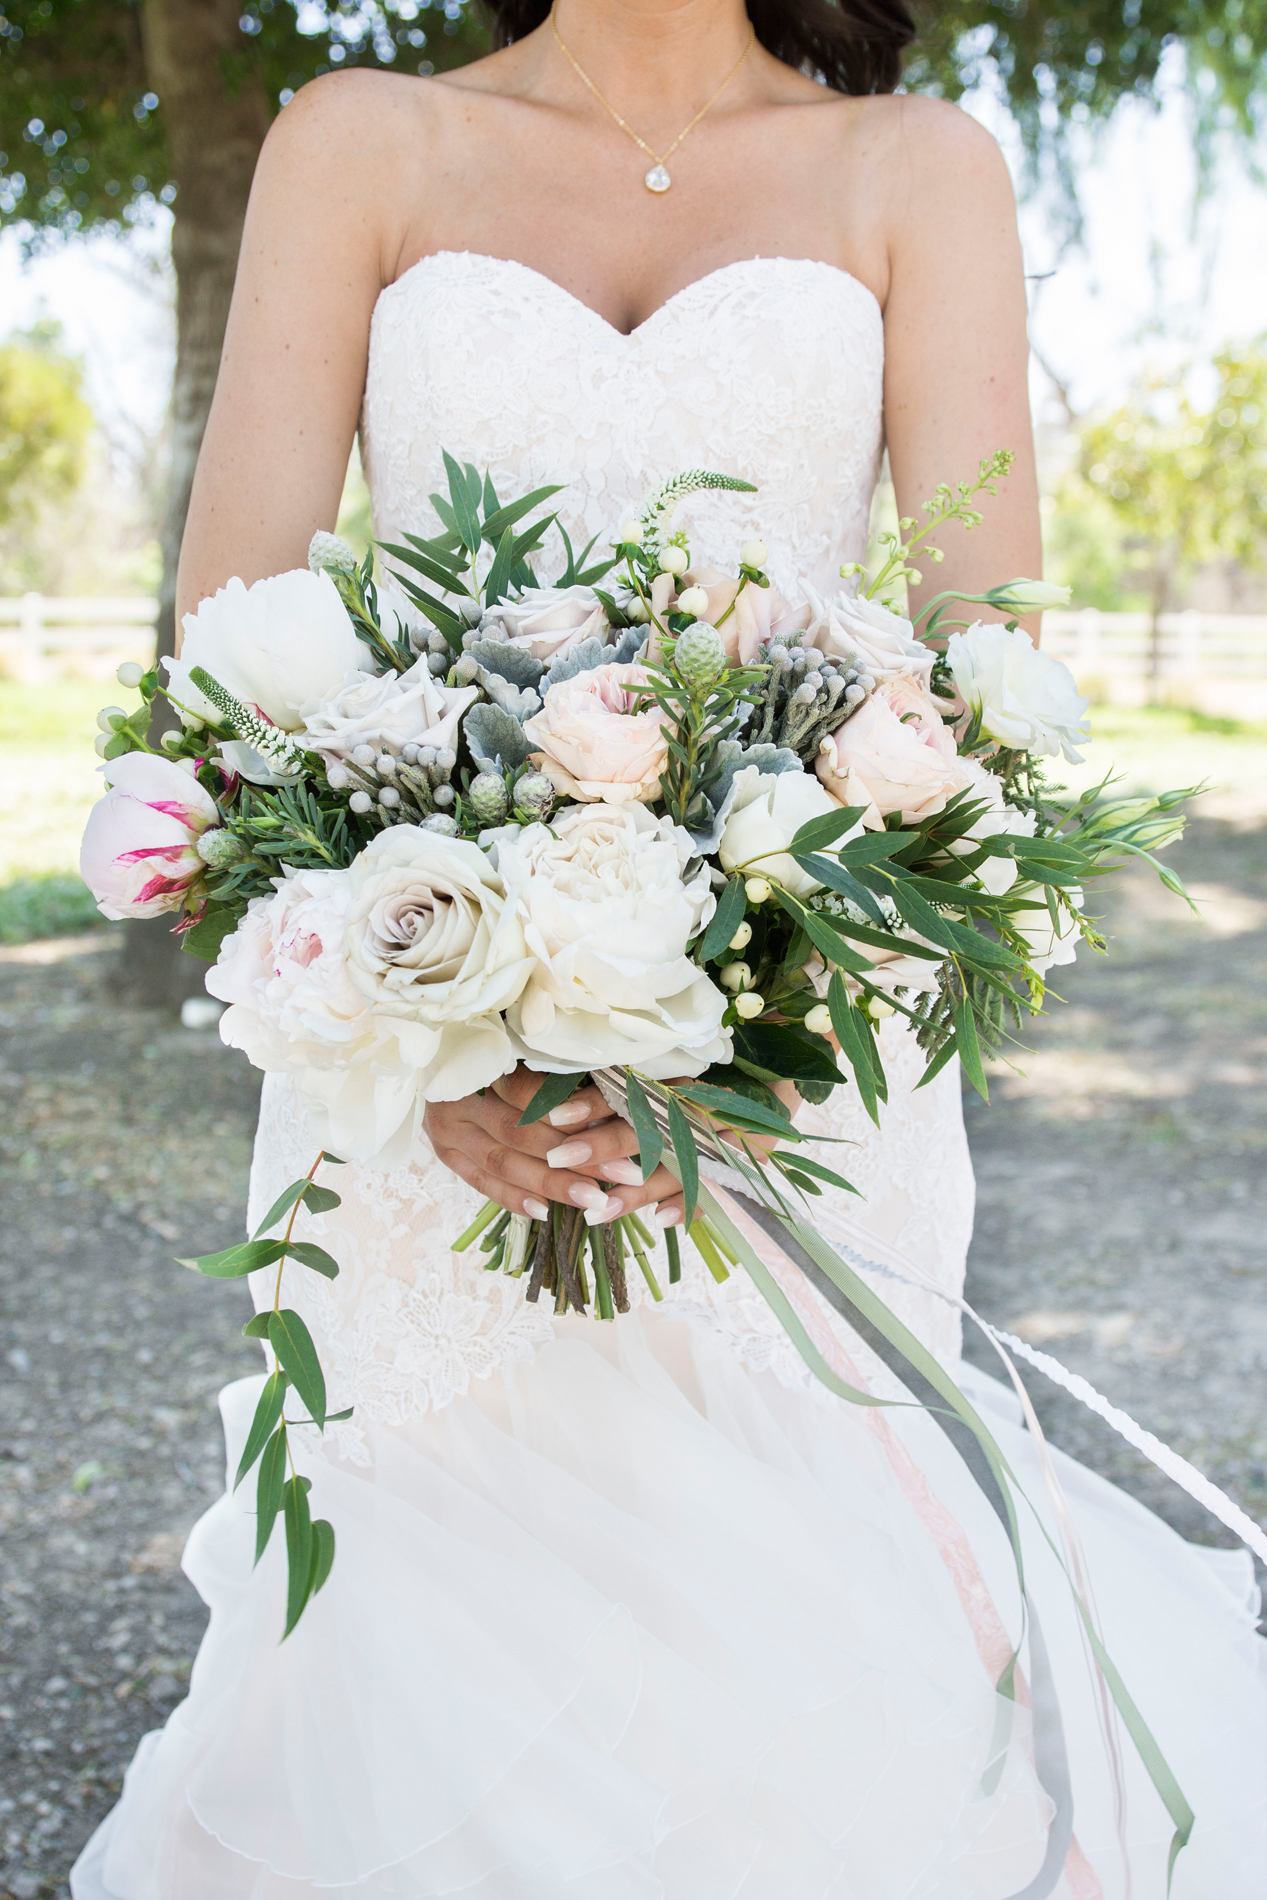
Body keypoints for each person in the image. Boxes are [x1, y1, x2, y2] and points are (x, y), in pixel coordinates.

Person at [72, 2, 1267, 1893]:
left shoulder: (920, 170)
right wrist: (439, 1047)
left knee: (806, 1673)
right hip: (414, 1073)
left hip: (800, 1091)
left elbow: (992, 711)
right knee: (432, 1655)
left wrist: (756, 1034)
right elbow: (230, 673)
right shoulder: (355, 138)